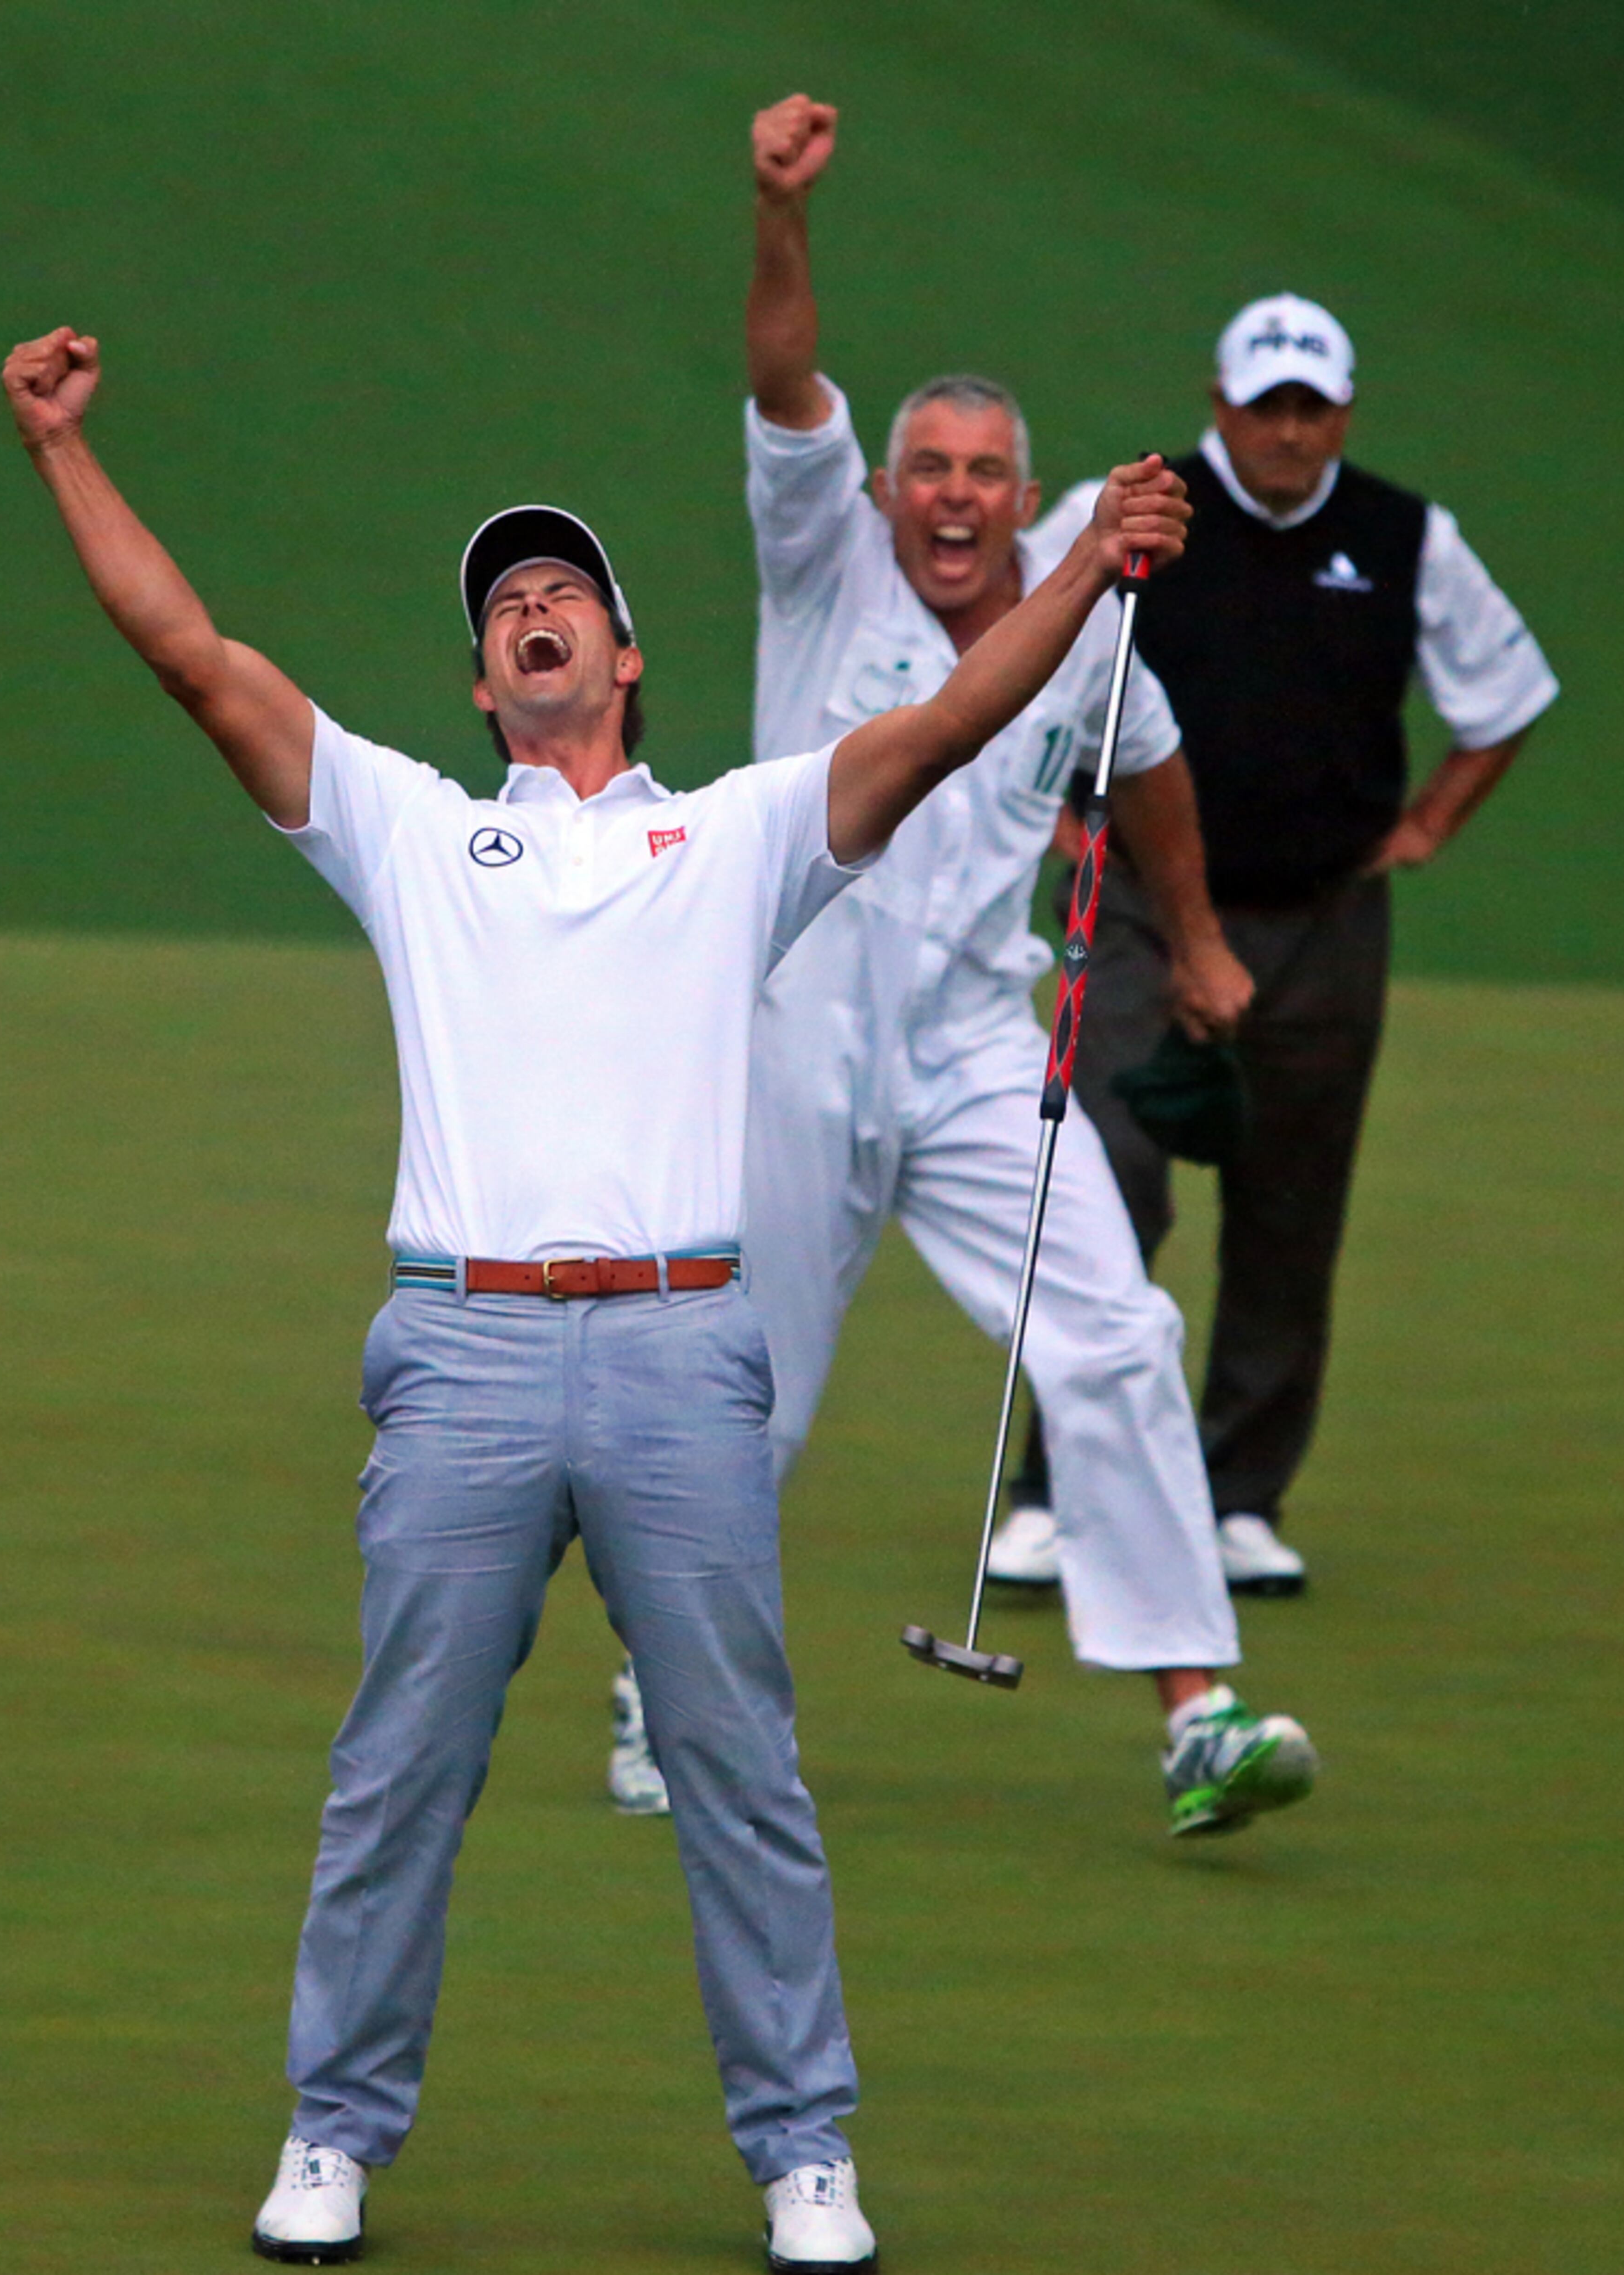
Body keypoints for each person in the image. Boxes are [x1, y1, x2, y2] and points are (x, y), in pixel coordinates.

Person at [1, 318, 1189, 2275]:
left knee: (740, 1769)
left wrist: (1082, 571)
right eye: (505, 609)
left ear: (624, 656)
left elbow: (952, 726)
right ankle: (332, 2131)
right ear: (486, 683)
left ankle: (805, 2154)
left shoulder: (734, 835)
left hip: (679, 1347)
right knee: (399, 1770)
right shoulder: (411, 831)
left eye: (564, 594)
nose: (534, 612)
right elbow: (194, 658)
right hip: (460, 1347)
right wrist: (60, 447)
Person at [607, 95, 1317, 1842]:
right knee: (750, 1392)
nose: (953, 496)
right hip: (787, 1035)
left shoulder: (1082, 617)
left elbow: (1149, 757)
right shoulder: (820, 556)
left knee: (1118, 1332)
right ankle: (661, 1691)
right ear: (885, 489)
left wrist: (1199, 937)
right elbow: (786, 372)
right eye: (928, 467)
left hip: (975, 1043)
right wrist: (779, 209)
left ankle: (1197, 1715)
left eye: (985, 473)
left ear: (1023, 498)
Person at [991, 293, 1560, 1595]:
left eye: (1312, 408)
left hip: (1321, 922)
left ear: (1344, 415)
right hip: (1133, 909)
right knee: (1107, 1186)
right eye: (1266, 407)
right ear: (1220, 404)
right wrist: (1050, 811)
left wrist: (1427, 825)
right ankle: (1058, 1488)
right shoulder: (1138, 511)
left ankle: (1240, 1495)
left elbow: (1509, 693)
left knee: (1291, 1209)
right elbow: (1016, 653)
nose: (1289, 431)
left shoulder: (1408, 537)